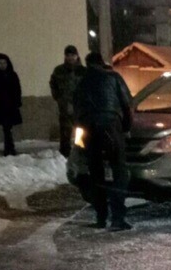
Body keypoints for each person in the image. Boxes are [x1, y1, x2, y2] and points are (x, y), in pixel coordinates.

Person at [73, 52, 133, 231]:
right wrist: (125, 128)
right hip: (111, 129)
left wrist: (79, 142)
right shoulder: (113, 78)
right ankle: (118, 219)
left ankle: (100, 218)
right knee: (119, 172)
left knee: (96, 174)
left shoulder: (81, 82)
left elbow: (75, 114)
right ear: (102, 63)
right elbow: (127, 105)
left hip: (88, 131)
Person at [49, 45, 86, 157]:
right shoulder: (59, 70)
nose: (70, 58)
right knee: (65, 131)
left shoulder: (83, 71)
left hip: (80, 106)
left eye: (72, 55)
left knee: (81, 130)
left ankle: (81, 152)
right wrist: (58, 97)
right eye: (68, 55)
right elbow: (53, 84)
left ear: (77, 56)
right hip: (64, 106)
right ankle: (65, 153)